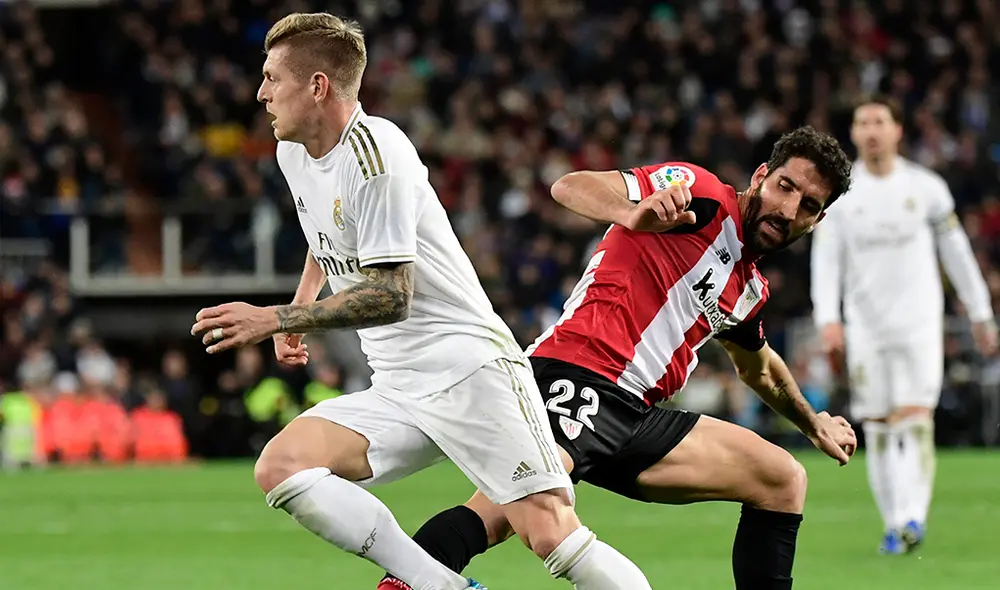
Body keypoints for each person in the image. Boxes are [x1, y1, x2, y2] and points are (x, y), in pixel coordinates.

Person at [188, 12, 652, 590]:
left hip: (469, 370)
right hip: (400, 383)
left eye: (272, 78)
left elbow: (391, 295)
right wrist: (302, 302)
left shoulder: (379, 156)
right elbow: (325, 231)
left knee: (551, 533)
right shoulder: (294, 153)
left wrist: (276, 318)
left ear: (317, 86)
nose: (260, 93)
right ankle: (441, 586)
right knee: (283, 466)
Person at [377, 126, 859, 590]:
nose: (788, 208)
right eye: (784, 187)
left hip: (635, 416)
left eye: (808, 205)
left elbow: (759, 368)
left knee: (782, 479)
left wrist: (813, 424)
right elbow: (570, 186)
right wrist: (632, 212)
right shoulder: (700, 193)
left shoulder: (748, 288)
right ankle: (402, 584)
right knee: (501, 511)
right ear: (760, 176)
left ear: (816, 221)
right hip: (576, 376)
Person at [810, 95, 998, 554]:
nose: (872, 131)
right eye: (863, 123)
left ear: (897, 130)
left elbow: (957, 255)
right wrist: (828, 320)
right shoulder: (840, 196)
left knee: (915, 420)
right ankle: (894, 522)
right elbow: (826, 261)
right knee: (877, 425)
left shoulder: (927, 188)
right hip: (866, 328)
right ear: (853, 134)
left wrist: (981, 313)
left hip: (918, 325)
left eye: (880, 122)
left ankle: (913, 517)